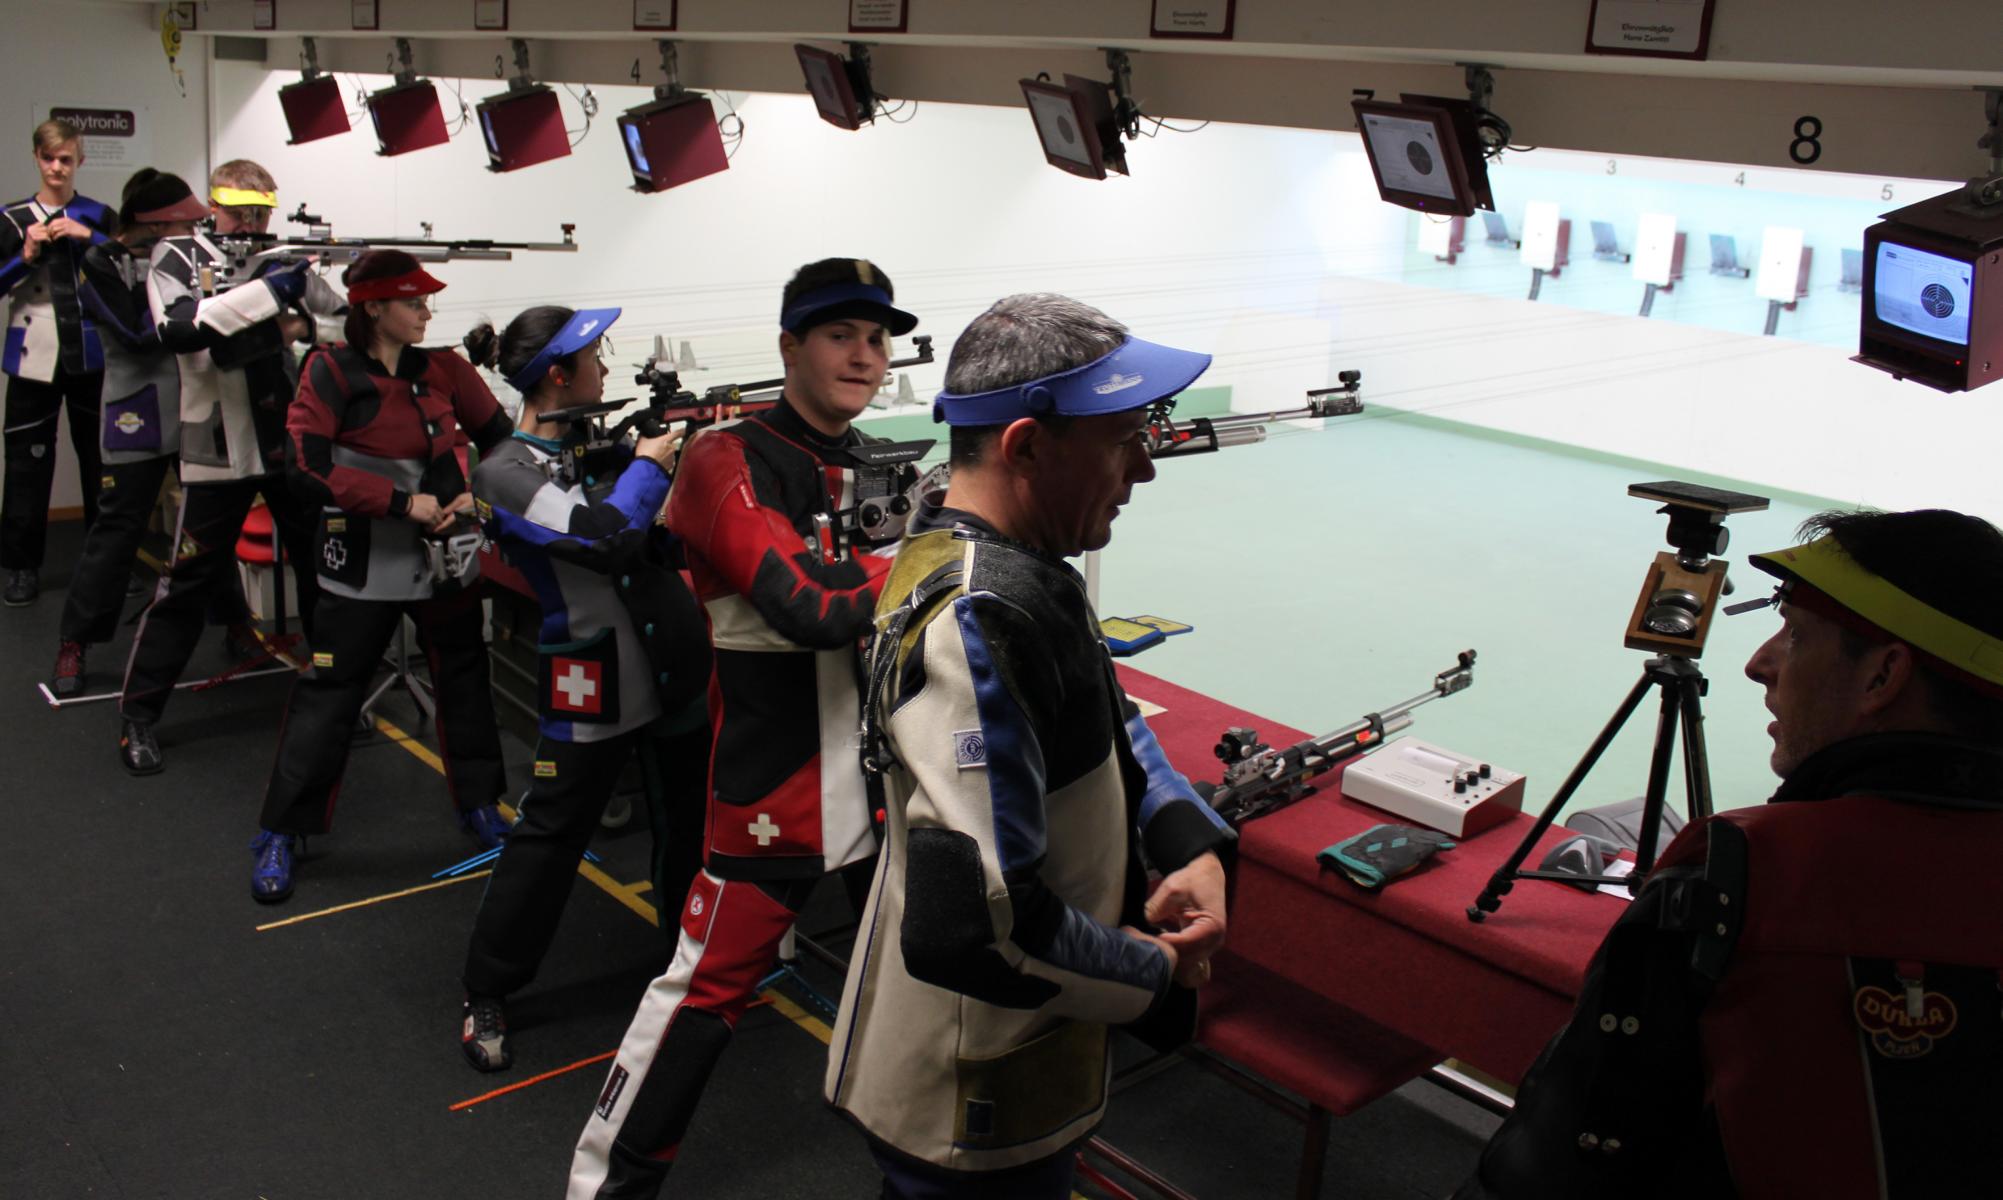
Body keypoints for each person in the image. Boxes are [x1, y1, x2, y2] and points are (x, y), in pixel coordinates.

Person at [1455, 508, 2003, 1200]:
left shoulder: (1741, 869)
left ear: (1882, 676)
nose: (1757, 663)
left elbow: (1571, 1155)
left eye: (1795, 635)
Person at [823, 293, 1233, 1198]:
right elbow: (971, 928)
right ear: (1027, 445)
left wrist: (1183, 840)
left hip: (1012, 1056)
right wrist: (1153, 970)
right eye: (1125, 438)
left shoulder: (1002, 565)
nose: (1146, 469)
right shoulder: (978, 612)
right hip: (971, 1086)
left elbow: (1103, 706)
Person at [566, 258, 915, 1198]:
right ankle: (603, 1187)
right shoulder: (727, 458)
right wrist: (937, 551)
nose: (865, 354)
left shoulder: (873, 459)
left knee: (924, 984)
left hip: (888, 781)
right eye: (840, 333)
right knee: (701, 996)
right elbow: (806, 604)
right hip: (780, 789)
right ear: (788, 347)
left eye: (878, 337)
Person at [455, 305, 711, 1072]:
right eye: (594, 357)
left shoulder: (590, 448)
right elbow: (597, 538)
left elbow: (655, 543)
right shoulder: (502, 470)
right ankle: (488, 990)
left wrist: (670, 471)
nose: (606, 367)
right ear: (558, 376)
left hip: (670, 662)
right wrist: (649, 465)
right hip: (589, 677)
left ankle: (687, 965)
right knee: (550, 836)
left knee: (687, 829)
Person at [250, 248, 514, 904]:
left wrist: (469, 495)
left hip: (446, 558)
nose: (427, 311)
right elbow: (305, 469)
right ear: (374, 310)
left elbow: (504, 440)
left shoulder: (449, 368)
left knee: (464, 683)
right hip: (362, 560)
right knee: (330, 695)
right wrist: (400, 503)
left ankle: (481, 807)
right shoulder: (329, 371)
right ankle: (283, 830)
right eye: (413, 302)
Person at [116, 159, 339, 773]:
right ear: (214, 205)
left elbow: (340, 322)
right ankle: (138, 715)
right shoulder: (176, 254)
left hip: (284, 438)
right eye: (241, 210)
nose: (252, 221)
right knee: (185, 583)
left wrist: (297, 317)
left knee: (321, 573)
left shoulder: (283, 256)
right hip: (215, 444)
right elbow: (182, 331)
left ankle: (334, 695)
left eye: (262, 211)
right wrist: (274, 309)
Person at [46, 169, 209, 697]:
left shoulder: (185, 256)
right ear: (153, 224)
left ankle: (234, 623)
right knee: (118, 531)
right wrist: (203, 313)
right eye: (182, 227)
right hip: (135, 411)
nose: (193, 237)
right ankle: (76, 641)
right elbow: (137, 335)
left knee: (207, 523)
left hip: (191, 403)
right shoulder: (100, 262)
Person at [0, 118, 114, 606]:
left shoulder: (99, 215)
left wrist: (91, 237)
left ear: (79, 161)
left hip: (89, 352)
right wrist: (25, 253)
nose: (56, 167)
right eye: (48, 158)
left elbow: (127, 272)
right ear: (36, 158)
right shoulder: (10, 218)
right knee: (26, 467)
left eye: (65, 159)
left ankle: (108, 562)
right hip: (33, 355)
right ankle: (21, 567)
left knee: (101, 463)